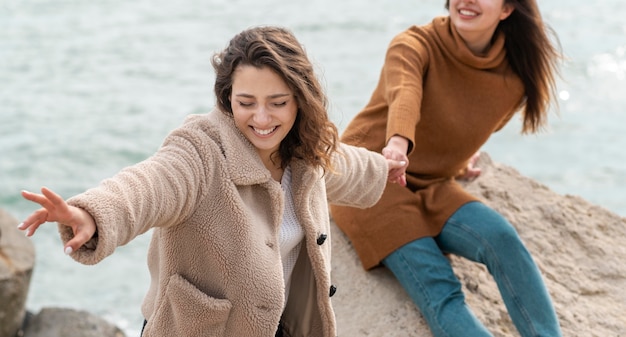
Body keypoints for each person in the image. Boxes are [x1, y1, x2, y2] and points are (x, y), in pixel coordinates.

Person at [18, 26, 407, 337]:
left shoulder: (305, 150)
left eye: (278, 101)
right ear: (227, 98)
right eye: (246, 102)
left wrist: (385, 167)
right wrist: (91, 214)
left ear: (299, 100)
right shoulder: (202, 150)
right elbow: (151, 184)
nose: (262, 118)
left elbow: (341, 165)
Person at [330, 0, 563, 336]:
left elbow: (471, 120)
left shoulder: (514, 79)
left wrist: (457, 152)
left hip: (434, 183)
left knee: (503, 240)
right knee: (441, 290)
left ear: (507, 10)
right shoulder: (413, 44)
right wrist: (397, 144)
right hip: (372, 180)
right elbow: (404, 94)